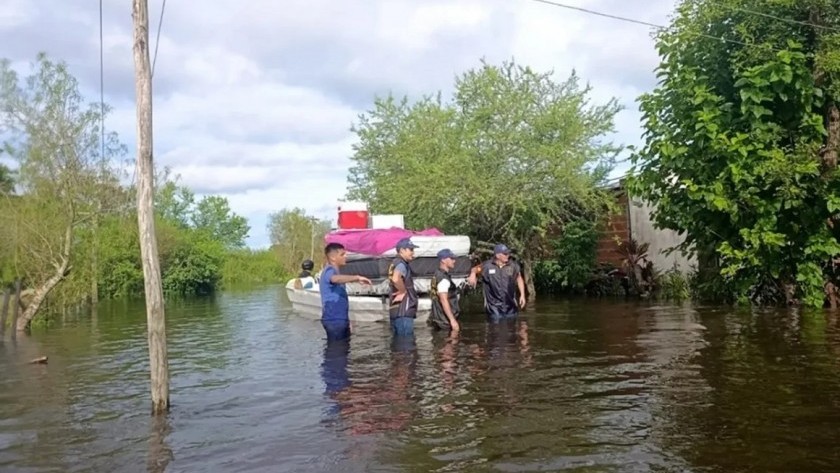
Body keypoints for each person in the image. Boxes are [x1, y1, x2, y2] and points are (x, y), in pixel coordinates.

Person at [320, 242, 372, 340]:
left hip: (340, 319)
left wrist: (347, 321)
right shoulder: (329, 270)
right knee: (336, 351)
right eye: (342, 254)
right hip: (334, 319)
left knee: (343, 350)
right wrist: (357, 278)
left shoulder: (337, 272)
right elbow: (334, 279)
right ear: (333, 258)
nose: (346, 256)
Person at [467, 243, 526, 321]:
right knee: (495, 330)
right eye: (505, 254)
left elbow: (519, 278)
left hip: (510, 307)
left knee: (512, 330)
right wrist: (473, 274)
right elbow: (475, 269)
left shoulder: (513, 266)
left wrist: (522, 295)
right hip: (494, 309)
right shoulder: (487, 266)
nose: (507, 255)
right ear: (497, 255)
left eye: (508, 253)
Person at [388, 237, 419, 336]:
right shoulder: (401, 264)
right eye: (411, 250)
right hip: (404, 312)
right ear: (402, 250)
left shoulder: (394, 263)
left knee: (398, 345)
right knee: (406, 345)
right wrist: (403, 291)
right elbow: (396, 279)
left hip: (395, 309)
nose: (413, 253)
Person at [428, 248, 461, 333]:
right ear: (443, 260)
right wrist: (452, 320)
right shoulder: (443, 279)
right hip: (444, 321)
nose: (454, 261)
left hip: (438, 318)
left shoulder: (437, 274)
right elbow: (443, 300)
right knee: (449, 344)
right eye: (451, 259)